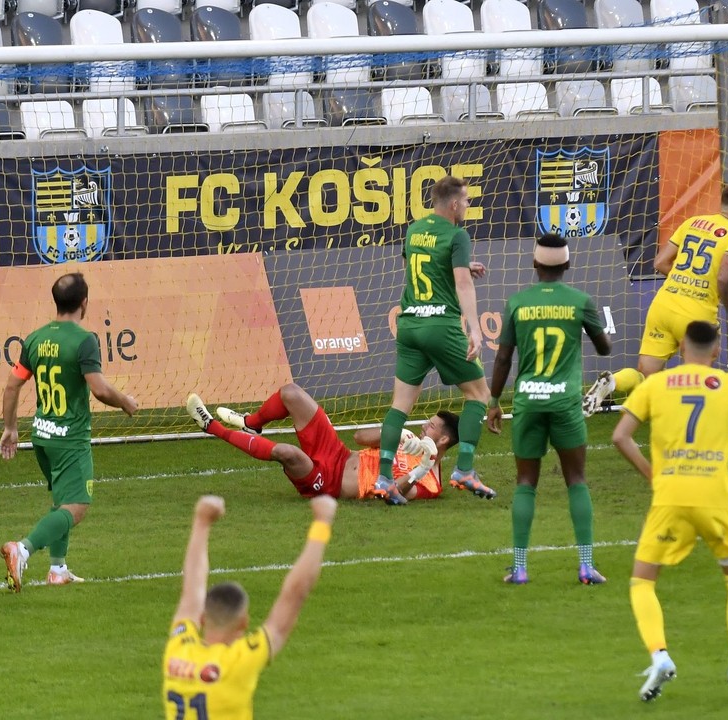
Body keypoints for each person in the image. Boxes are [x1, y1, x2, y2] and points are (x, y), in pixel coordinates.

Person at [611, 320, 728, 702]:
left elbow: (620, 436)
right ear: (717, 350)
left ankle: (659, 656)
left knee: (643, 581)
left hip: (670, 496)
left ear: (679, 349)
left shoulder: (655, 385)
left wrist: (652, 475)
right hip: (716, 498)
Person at [0, 272, 138, 592]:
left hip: (41, 436)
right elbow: (99, 389)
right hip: (69, 439)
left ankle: (58, 570)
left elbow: (12, 385)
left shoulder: (34, 338)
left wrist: (9, 428)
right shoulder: (83, 340)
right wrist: (126, 403)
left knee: (62, 502)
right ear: (84, 303)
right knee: (77, 507)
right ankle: (23, 549)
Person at [487, 233, 612, 585]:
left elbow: (502, 358)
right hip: (564, 403)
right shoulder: (580, 301)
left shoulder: (517, 303)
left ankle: (521, 568)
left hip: (528, 401)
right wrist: (592, 327)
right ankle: (586, 565)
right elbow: (604, 349)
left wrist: (494, 401)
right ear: (568, 265)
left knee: (526, 481)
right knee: (576, 480)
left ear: (534, 264)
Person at [374, 174, 496, 505]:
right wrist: (474, 328)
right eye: (468, 201)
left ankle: (384, 478)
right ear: (454, 204)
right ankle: (465, 469)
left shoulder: (415, 229)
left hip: (410, 325)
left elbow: (420, 264)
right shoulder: (458, 235)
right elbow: (462, 285)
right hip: (440, 325)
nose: (469, 206)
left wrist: (462, 264)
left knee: (399, 405)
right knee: (478, 395)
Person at [583, 184, 728, 416]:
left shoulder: (692, 223)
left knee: (645, 375)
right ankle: (691, 423)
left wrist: (684, 280)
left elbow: (659, 263)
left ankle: (612, 382)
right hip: (697, 315)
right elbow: (725, 276)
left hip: (664, 304)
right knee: (697, 376)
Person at [162, 493, 336, 719]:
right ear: (244, 622)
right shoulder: (240, 661)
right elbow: (295, 594)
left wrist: (202, 521)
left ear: (202, 618)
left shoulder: (178, 649)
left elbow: (191, 591)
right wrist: (322, 523)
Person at [186, 382, 458, 502]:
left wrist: (421, 467)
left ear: (443, 439)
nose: (424, 426)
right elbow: (359, 438)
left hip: (330, 483)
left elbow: (395, 494)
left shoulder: (431, 484)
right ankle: (252, 423)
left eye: (431, 426)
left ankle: (211, 426)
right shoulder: (411, 442)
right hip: (337, 454)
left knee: (286, 452)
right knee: (291, 393)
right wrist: (398, 434)